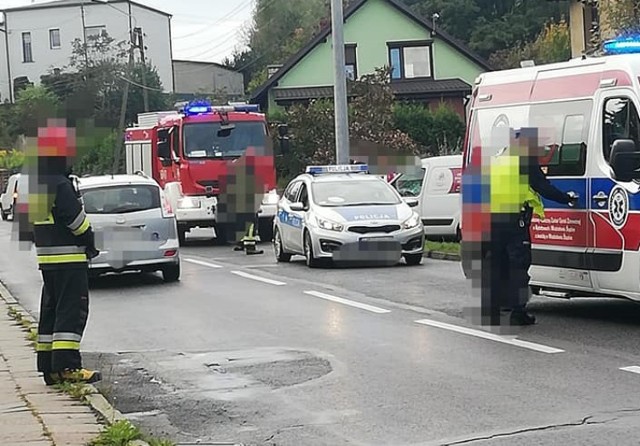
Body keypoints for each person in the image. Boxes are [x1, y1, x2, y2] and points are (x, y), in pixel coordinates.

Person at [21, 120, 102, 385]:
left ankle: (50, 367)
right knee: (71, 311)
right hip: (69, 259)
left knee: (52, 311)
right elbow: (75, 220)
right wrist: (90, 239)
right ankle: (68, 367)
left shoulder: (37, 183)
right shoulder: (59, 183)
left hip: (48, 259)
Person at [487, 128, 576, 326]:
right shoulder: (524, 160)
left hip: (493, 220)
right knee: (518, 265)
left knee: (497, 264)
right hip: (514, 221)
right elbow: (542, 186)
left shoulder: (499, 158)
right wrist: (566, 198)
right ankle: (518, 312)